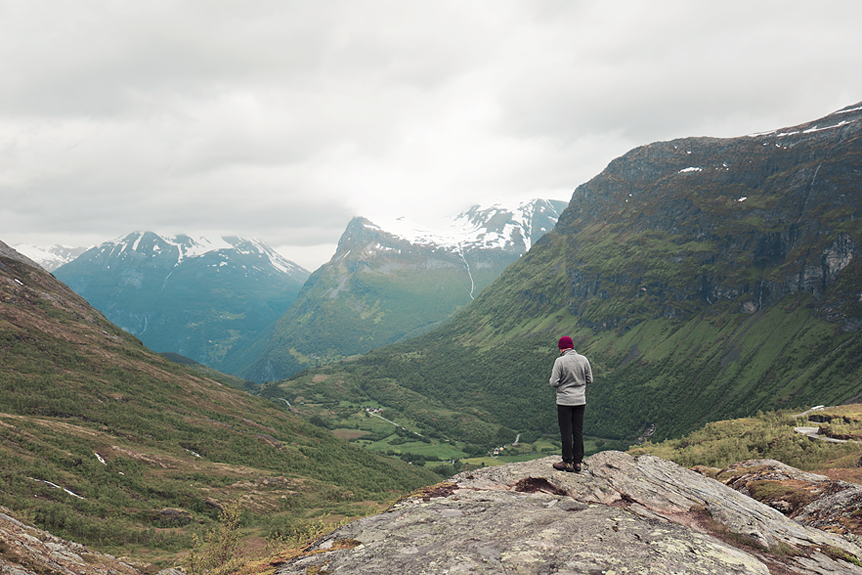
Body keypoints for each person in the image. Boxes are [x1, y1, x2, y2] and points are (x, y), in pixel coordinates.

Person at [549, 336, 592, 473]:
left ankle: (567, 462)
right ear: (572, 346)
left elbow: (553, 382)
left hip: (565, 401)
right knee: (578, 431)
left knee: (566, 431)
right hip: (580, 400)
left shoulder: (560, 361)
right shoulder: (583, 359)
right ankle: (578, 462)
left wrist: (564, 384)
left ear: (561, 348)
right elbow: (589, 379)